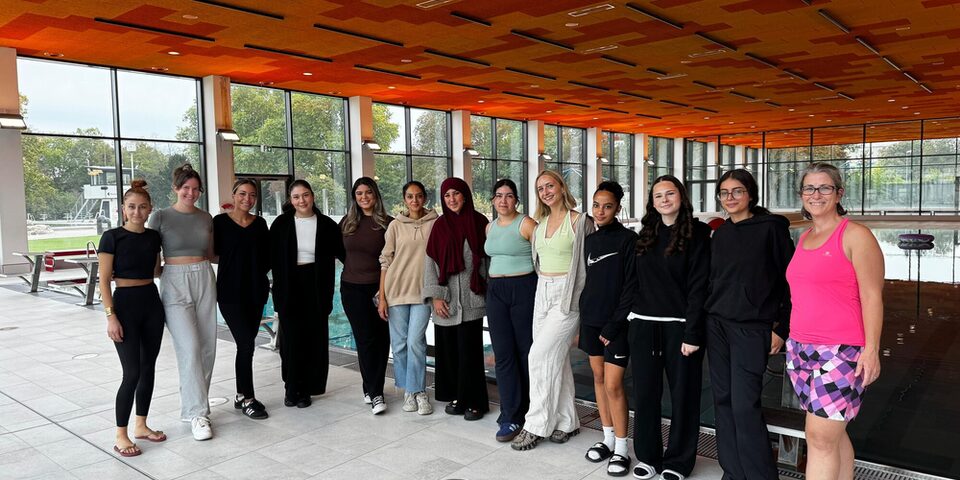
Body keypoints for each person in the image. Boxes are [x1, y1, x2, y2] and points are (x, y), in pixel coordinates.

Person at [786, 163, 883, 480]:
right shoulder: (805, 237)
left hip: (841, 351)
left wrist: (871, 350)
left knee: (819, 438)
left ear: (839, 193)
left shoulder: (855, 235)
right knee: (833, 435)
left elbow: (872, 296)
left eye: (825, 187)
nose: (816, 194)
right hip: (800, 349)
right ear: (802, 194)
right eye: (809, 188)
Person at [705, 168, 794, 480]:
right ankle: (733, 473)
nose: (730, 198)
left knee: (744, 405)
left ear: (751, 194)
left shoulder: (771, 229)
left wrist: (782, 328)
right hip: (717, 325)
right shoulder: (721, 233)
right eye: (724, 193)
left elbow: (790, 281)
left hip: (751, 327)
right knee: (723, 402)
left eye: (737, 191)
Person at [628, 176, 711, 480]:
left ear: (681, 197)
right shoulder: (645, 234)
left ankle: (678, 462)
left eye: (670, 193)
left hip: (680, 328)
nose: (664, 199)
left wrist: (693, 332)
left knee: (684, 397)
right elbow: (634, 281)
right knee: (645, 395)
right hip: (644, 325)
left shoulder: (698, 234)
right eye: (658, 195)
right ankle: (648, 456)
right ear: (652, 202)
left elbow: (699, 286)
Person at [512, 170, 595, 451]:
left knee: (538, 356)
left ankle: (535, 425)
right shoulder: (539, 224)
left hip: (567, 294)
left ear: (561, 187)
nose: (545, 192)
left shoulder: (580, 221)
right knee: (556, 359)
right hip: (542, 291)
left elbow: (592, 264)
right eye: (540, 188)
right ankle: (567, 421)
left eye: (550, 186)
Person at [147, 163, 217, 441]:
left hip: (204, 275)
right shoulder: (160, 217)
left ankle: (197, 406)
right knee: (189, 347)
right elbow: (151, 255)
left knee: (207, 347)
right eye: (186, 188)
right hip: (174, 278)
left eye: (196, 189)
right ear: (175, 188)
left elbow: (211, 254)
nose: (191, 193)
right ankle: (197, 413)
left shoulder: (206, 218)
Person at [98, 179, 165, 457]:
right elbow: (103, 281)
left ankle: (141, 425)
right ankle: (120, 434)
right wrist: (111, 317)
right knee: (132, 372)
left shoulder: (153, 237)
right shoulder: (112, 237)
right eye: (132, 207)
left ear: (150, 209)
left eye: (142, 207)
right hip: (125, 305)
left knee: (148, 367)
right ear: (123, 209)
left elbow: (156, 271)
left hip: (152, 303)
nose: (137, 212)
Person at [578, 181, 637, 476]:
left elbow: (631, 287)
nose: (600, 211)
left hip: (616, 324)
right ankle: (608, 438)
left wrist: (615, 324)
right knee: (599, 379)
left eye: (607, 206)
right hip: (590, 320)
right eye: (596, 205)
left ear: (618, 208)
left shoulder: (628, 240)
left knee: (614, 385)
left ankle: (623, 448)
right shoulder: (589, 240)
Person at [269, 180, 344, 409]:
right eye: (296, 197)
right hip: (289, 284)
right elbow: (268, 256)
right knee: (291, 340)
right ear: (290, 200)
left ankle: (307, 389)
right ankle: (291, 387)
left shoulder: (327, 225)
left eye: (305, 195)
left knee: (314, 339)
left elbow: (344, 254)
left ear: (312, 196)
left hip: (316, 285)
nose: (301, 200)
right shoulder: (281, 224)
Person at [423, 177, 490, 421]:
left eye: (456, 194)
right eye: (447, 195)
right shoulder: (439, 226)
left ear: (465, 195)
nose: (451, 199)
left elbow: (488, 261)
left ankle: (476, 402)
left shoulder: (480, 223)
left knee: (470, 354)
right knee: (450, 353)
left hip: (472, 300)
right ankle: (458, 398)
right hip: (447, 301)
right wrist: (436, 297)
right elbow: (430, 262)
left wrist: (484, 288)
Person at [483, 179, 538, 442]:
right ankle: (510, 414)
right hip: (496, 291)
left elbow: (542, 257)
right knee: (503, 354)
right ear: (493, 200)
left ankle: (531, 410)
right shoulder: (489, 227)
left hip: (523, 288)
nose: (503, 200)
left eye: (508, 196)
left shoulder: (526, 224)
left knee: (525, 352)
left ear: (516, 200)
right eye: (498, 195)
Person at [378, 181, 438, 415]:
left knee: (415, 341)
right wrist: (382, 297)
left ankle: (419, 390)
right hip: (396, 290)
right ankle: (408, 391)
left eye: (419, 196)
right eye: (410, 196)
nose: (415, 200)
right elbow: (385, 261)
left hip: (422, 292)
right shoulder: (395, 225)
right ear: (404, 199)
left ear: (425, 198)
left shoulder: (435, 223)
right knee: (400, 343)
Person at [213, 179, 270, 420]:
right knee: (246, 343)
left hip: (256, 291)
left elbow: (268, 255)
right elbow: (212, 253)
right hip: (230, 293)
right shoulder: (219, 222)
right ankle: (248, 399)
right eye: (243, 194)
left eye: (252, 195)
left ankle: (240, 394)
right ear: (234, 195)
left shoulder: (260, 224)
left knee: (246, 345)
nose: (247, 199)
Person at [341, 177, 394, 414]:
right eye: (359, 193)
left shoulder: (388, 224)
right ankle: (375, 393)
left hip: (380, 289)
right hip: (352, 288)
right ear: (354, 197)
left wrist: (384, 290)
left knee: (381, 340)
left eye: (368, 192)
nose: (364, 197)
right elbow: (340, 251)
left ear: (376, 195)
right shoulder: (347, 222)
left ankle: (370, 387)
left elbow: (395, 259)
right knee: (364, 340)